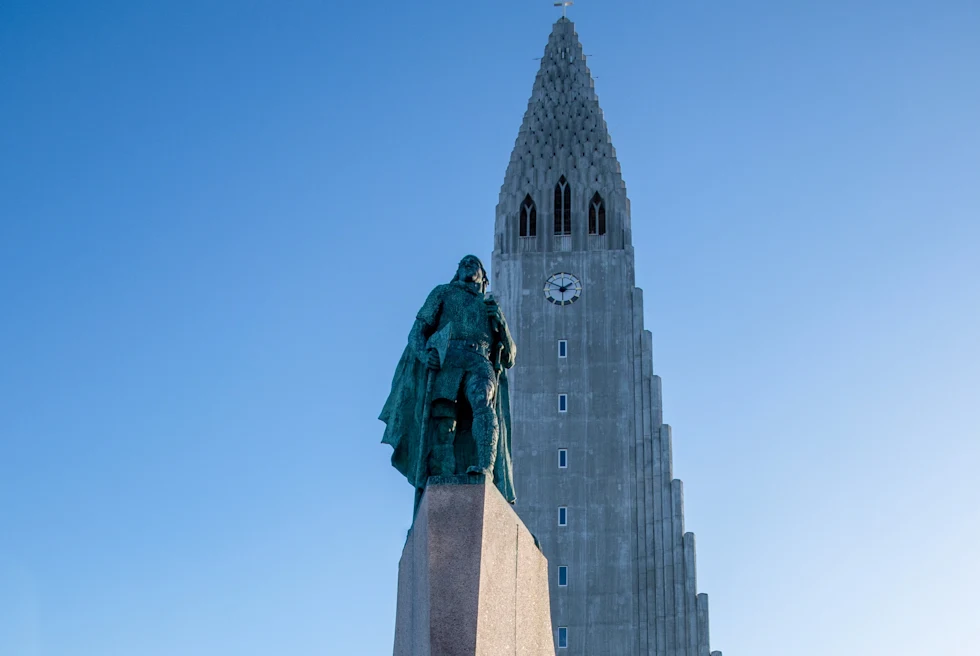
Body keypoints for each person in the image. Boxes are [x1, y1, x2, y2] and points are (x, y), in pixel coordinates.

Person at [379, 255, 517, 515]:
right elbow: (416, 332)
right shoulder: (443, 293)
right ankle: (441, 478)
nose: (467, 265)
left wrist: (501, 323)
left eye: (473, 263)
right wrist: (424, 354)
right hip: (448, 362)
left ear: (483, 277)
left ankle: (485, 467)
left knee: (482, 401)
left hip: (479, 361)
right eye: (463, 263)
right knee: (444, 425)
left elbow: (510, 356)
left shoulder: (490, 306)